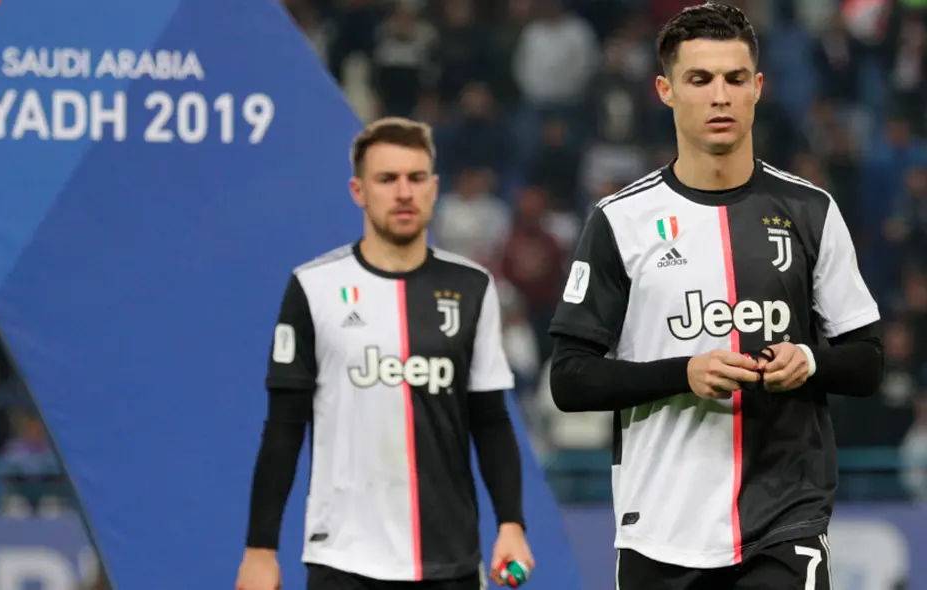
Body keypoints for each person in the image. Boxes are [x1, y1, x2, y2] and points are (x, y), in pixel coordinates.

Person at [548, 3, 884, 590]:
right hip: (660, 528)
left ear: (757, 88)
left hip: (785, 520)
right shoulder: (620, 221)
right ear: (666, 91)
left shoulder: (811, 210)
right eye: (699, 79)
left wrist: (806, 362)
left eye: (733, 79)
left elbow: (868, 361)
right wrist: (686, 371)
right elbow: (570, 379)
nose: (719, 96)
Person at [235, 117, 534, 590]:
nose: (403, 192)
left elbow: (491, 420)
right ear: (358, 190)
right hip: (343, 559)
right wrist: (260, 549)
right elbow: (284, 428)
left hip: (450, 561)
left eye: (416, 179)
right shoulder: (313, 287)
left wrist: (511, 525)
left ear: (434, 189)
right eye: (386, 179)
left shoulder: (472, 287)